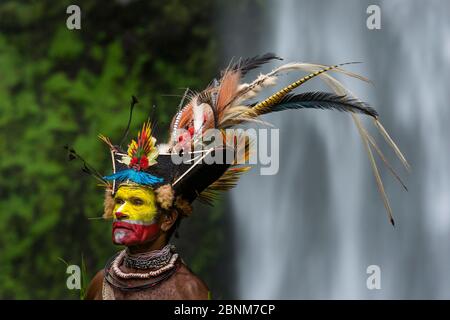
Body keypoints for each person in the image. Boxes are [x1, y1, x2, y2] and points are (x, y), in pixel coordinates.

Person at [68, 53, 406, 300]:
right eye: (120, 200)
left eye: (136, 201)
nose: (120, 210)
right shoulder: (102, 283)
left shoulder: (187, 293)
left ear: (169, 217)